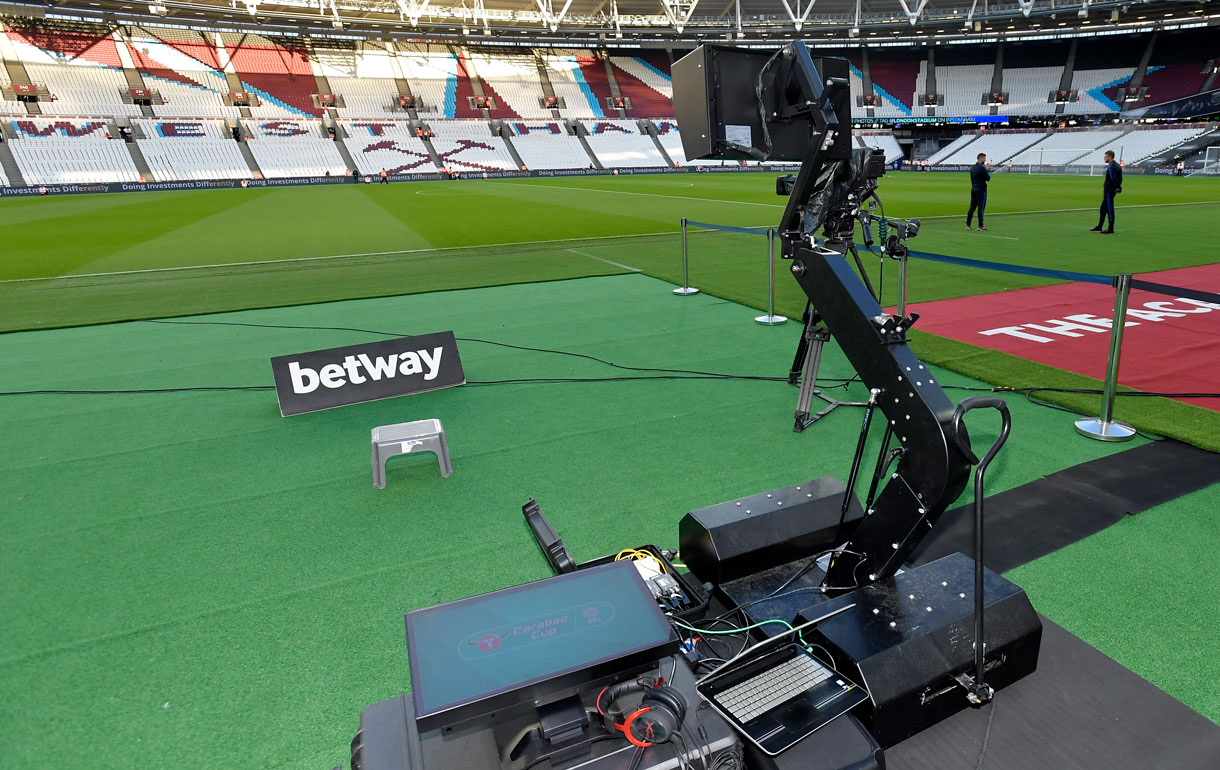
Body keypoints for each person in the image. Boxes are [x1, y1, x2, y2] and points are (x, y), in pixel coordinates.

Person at [1091, 150, 1122, 234]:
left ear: (1110, 157)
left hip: (1109, 190)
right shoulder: (1116, 165)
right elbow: (1119, 178)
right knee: (1103, 209)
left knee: (1109, 209)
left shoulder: (1112, 166)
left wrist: (1117, 187)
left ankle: (1110, 228)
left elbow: (1113, 178)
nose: (1104, 158)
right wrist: (1118, 187)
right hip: (1110, 190)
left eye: (1105, 156)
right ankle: (1099, 226)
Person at [966, 152, 990, 231]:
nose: (985, 160)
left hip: (973, 189)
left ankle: (968, 225)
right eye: (984, 158)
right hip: (981, 189)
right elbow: (988, 178)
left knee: (972, 207)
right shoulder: (982, 168)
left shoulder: (972, 168)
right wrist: (987, 169)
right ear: (981, 158)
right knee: (981, 208)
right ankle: (980, 225)